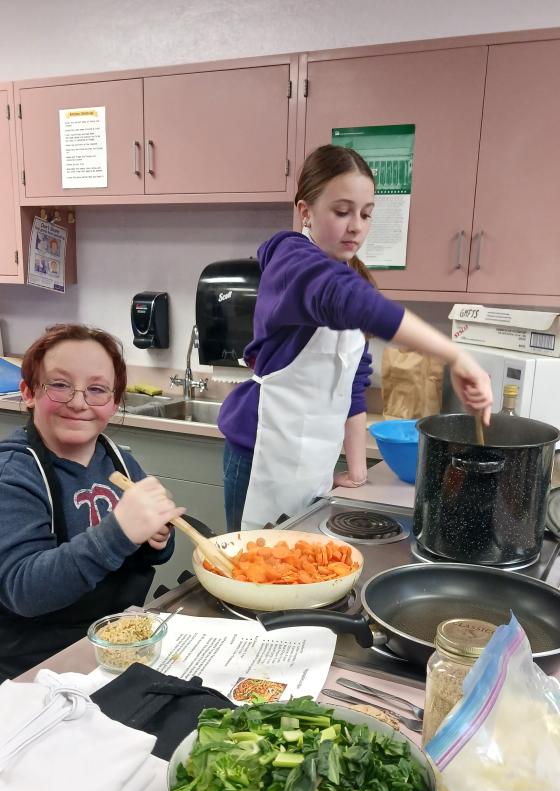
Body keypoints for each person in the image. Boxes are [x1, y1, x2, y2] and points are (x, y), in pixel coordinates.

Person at [218, 144, 493, 531]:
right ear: (305, 212)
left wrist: (357, 472)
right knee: (250, 574)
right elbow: (342, 296)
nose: (356, 226)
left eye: (366, 214)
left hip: (312, 462)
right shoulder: (291, 261)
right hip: (259, 453)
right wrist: (455, 356)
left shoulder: (352, 276)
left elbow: (353, 384)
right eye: (342, 211)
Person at [0, 323, 185, 680]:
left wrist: (156, 538)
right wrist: (119, 531)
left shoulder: (118, 459)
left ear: (115, 403)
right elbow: (24, 590)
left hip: (115, 646)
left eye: (97, 389)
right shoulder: (14, 473)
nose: (79, 402)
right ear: (28, 392)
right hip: (40, 667)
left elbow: (141, 550)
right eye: (59, 385)